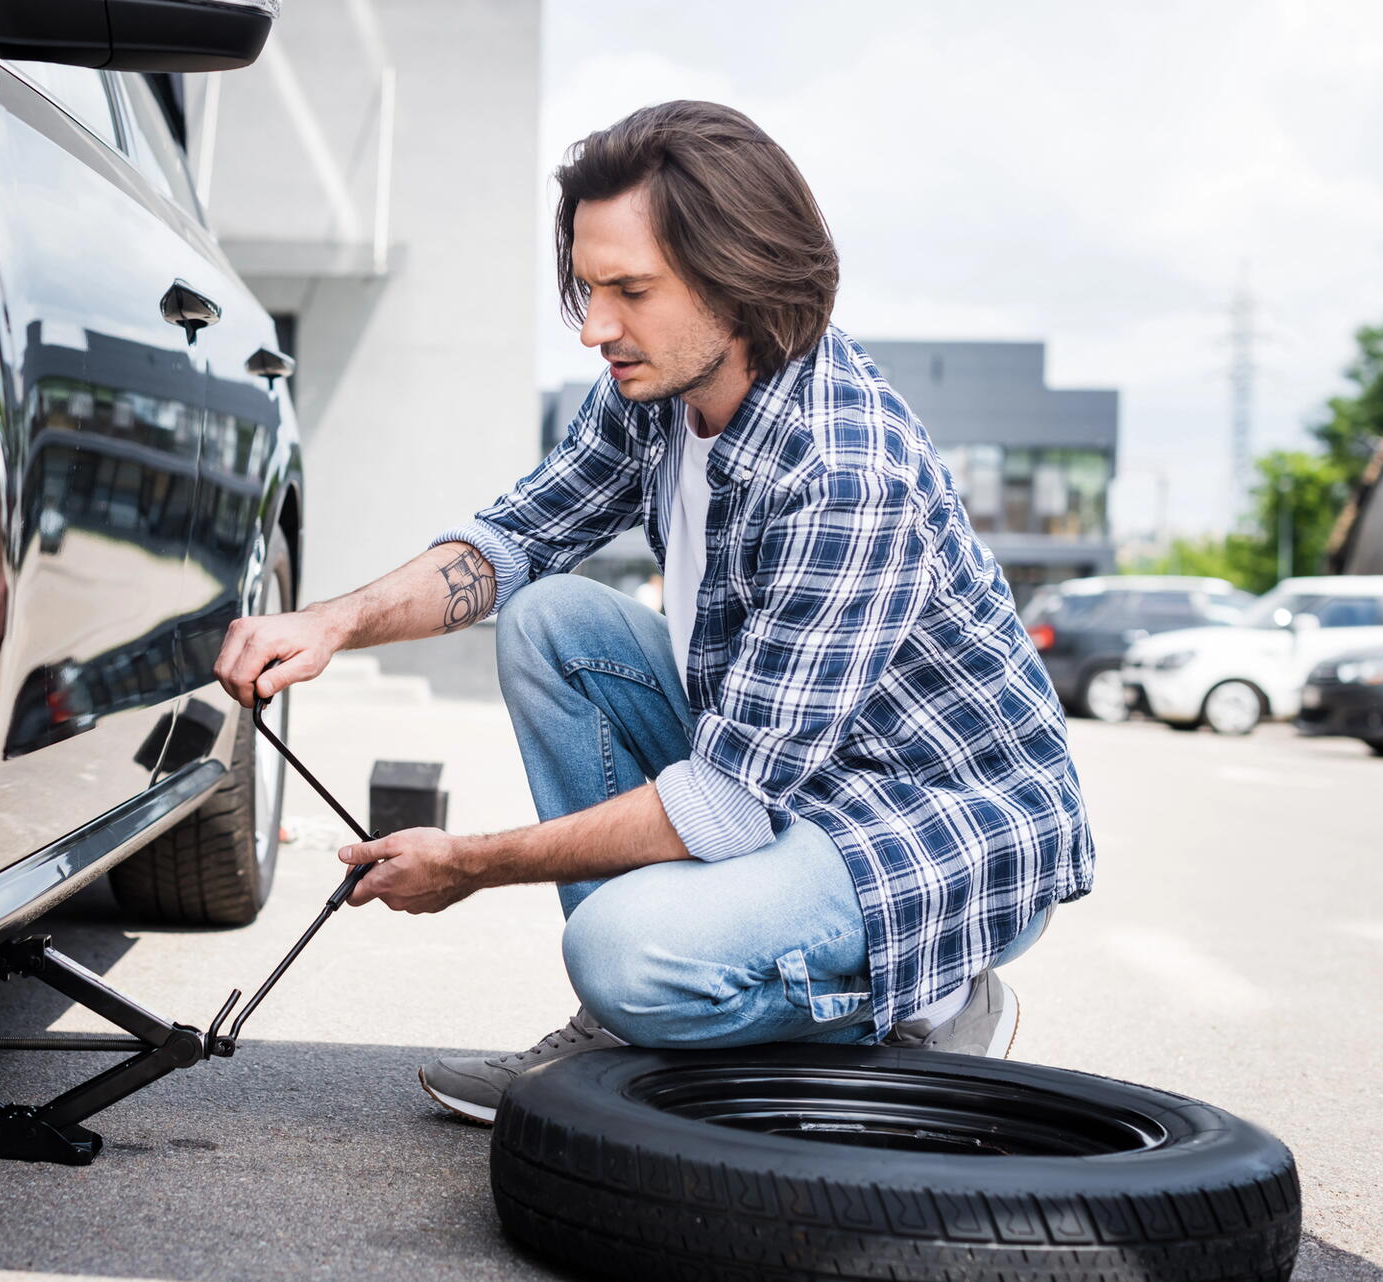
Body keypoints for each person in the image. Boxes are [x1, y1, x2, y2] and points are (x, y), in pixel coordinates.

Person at [213, 100, 1094, 1125]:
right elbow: (513, 542)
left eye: (629, 291)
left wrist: (469, 864)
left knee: (623, 952)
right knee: (555, 623)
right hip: (785, 776)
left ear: (741, 279)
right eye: (588, 290)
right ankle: (630, 1021)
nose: (594, 329)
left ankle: (933, 1001)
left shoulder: (845, 473)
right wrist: (329, 623)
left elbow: (722, 806)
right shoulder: (656, 394)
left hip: (932, 826)